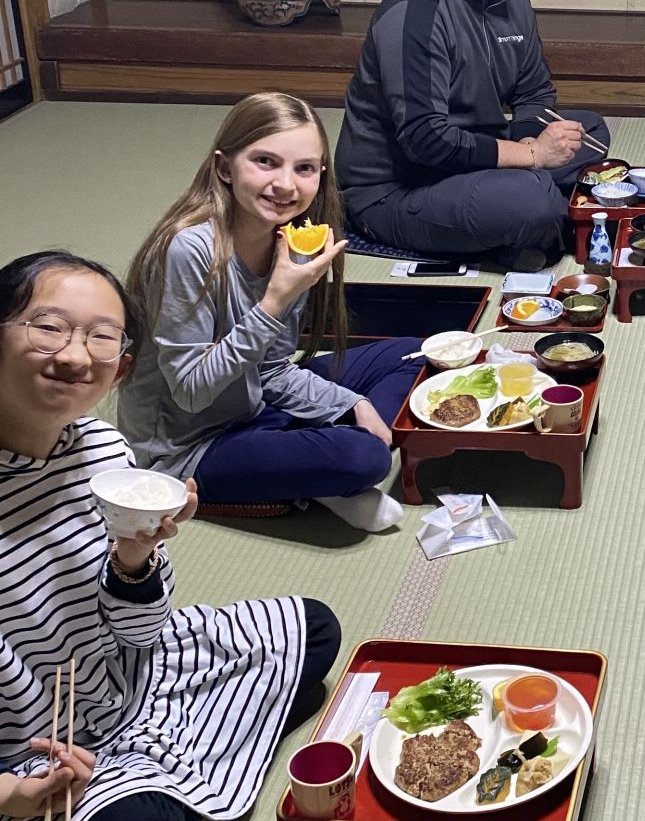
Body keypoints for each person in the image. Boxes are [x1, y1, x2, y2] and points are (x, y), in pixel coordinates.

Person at [0, 249, 341, 821]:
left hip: (124, 679)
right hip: (23, 751)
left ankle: (164, 788)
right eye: (48, 327)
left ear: (122, 362)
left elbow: (141, 633)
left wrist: (135, 553)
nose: (75, 356)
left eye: (101, 337)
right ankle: (170, 809)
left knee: (313, 627)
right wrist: (11, 793)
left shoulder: (101, 452)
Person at [120, 93, 421, 531]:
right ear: (225, 167)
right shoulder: (188, 248)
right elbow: (190, 390)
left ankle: (306, 465)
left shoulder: (290, 238)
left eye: (304, 169)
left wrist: (352, 403)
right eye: (265, 161)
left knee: (414, 355)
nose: (285, 185)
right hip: (188, 444)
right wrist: (275, 301)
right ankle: (318, 469)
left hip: (253, 402)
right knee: (365, 456)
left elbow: (272, 369)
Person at [335, 0, 610, 265]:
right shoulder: (416, 14)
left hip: (469, 155)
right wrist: (531, 157)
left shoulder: (511, 1)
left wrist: (538, 140)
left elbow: (534, 94)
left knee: (589, 131)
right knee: (532, 199)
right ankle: (531, 217)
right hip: (397, 187)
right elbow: (426, 139)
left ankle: (519, 221)